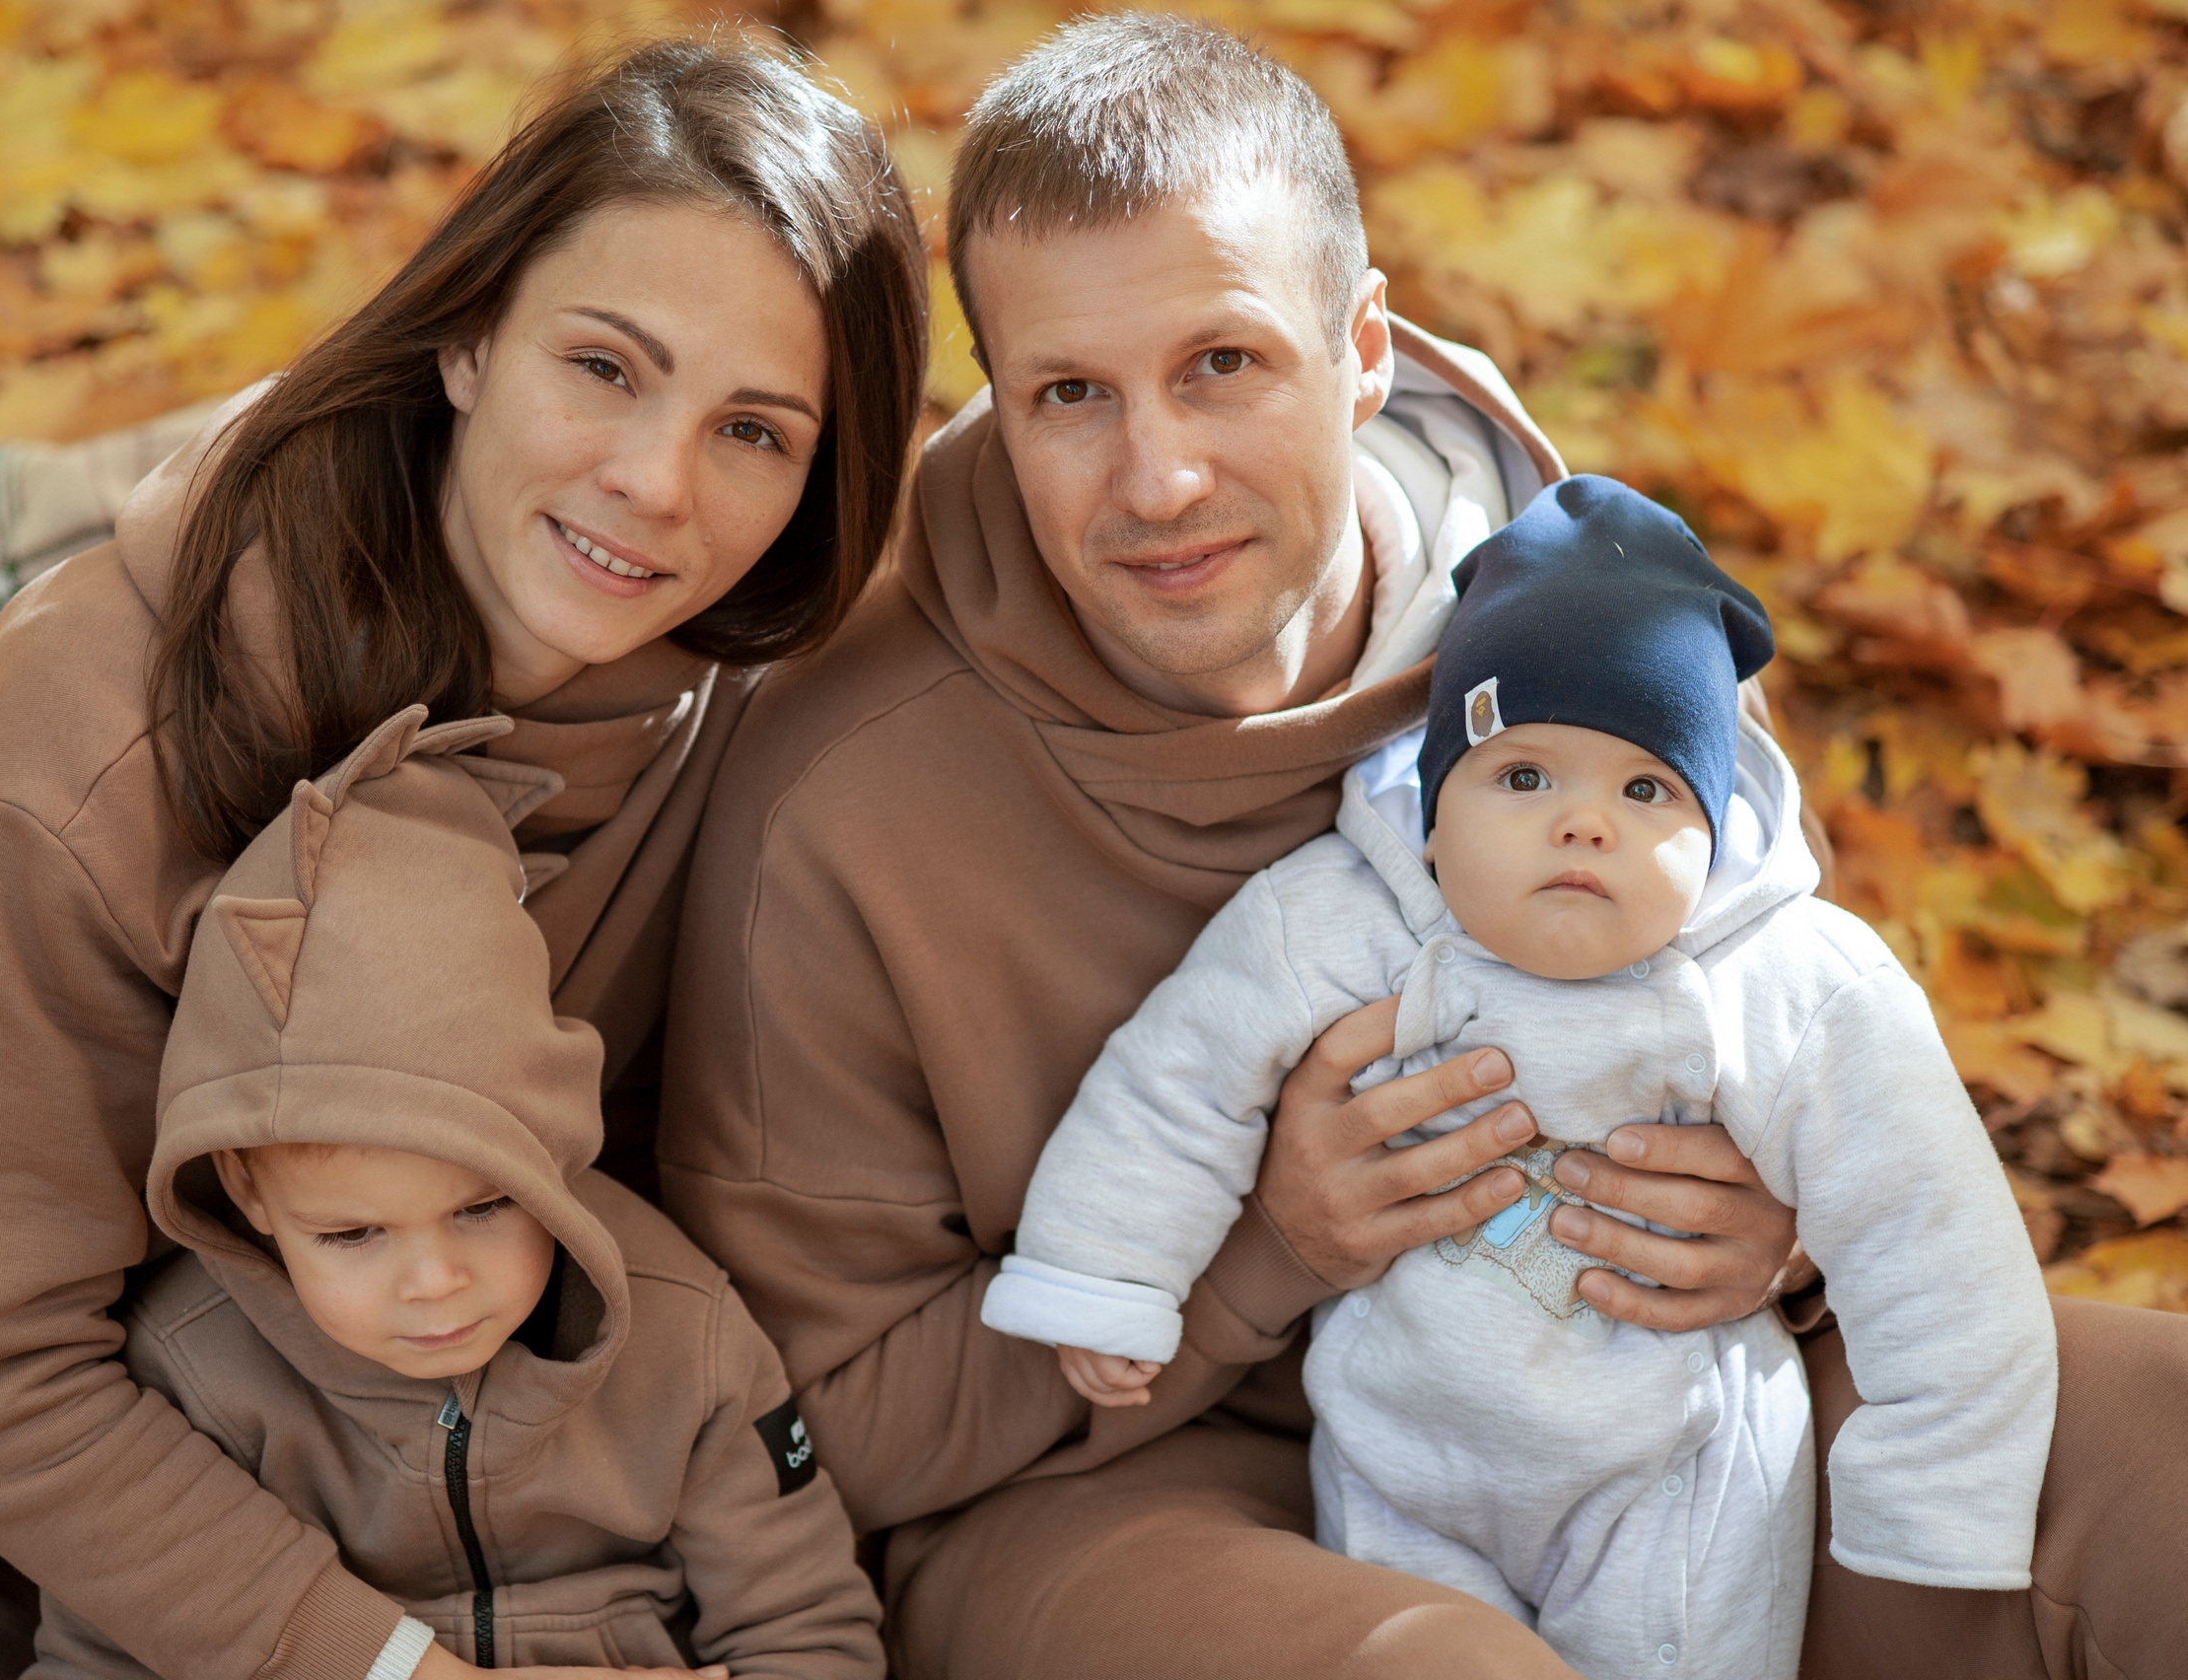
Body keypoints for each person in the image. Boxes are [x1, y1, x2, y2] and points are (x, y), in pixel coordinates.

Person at [657, 14, 2188, 1680]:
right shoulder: (838, 798)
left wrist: (1783, 1230)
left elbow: (1814, 1055)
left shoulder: (1596, 636)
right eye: (1070, 395)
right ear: (999, 397)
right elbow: (811, 1439)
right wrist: (1266, 1252)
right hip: (1117, 1502)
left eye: (1222, 363)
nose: (1156, 477)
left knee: (2154, 1447)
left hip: (1650, 1408)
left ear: (1365, 347)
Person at [0, 35, 925, 1680]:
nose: (654, 481)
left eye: (754, 429)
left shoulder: (716, 693)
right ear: (468, 337)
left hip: (176, 1482)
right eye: (605, 367)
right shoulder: (93, 740)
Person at [981, 476, 2056, 1680]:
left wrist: (1936, 1501)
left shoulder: (1788, 980)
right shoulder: (1343, 922)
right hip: (1402, 1454)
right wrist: (1103, 1274)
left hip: (1666, 1471)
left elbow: (1933, 1229)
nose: (1582, 825)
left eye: (1645, 790)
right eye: (1524, 777)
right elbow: (1177, 1081)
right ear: (1433, 812)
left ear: (1713, 836)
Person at [29, 709, 881, 1680]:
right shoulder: (185, 1373)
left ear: (551, 1146)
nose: (433, 1282)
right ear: (246, 1190)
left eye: (484, 1206)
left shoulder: (690, 1338)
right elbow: (104, 1655)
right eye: (352, 1233)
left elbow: (809, 1632)